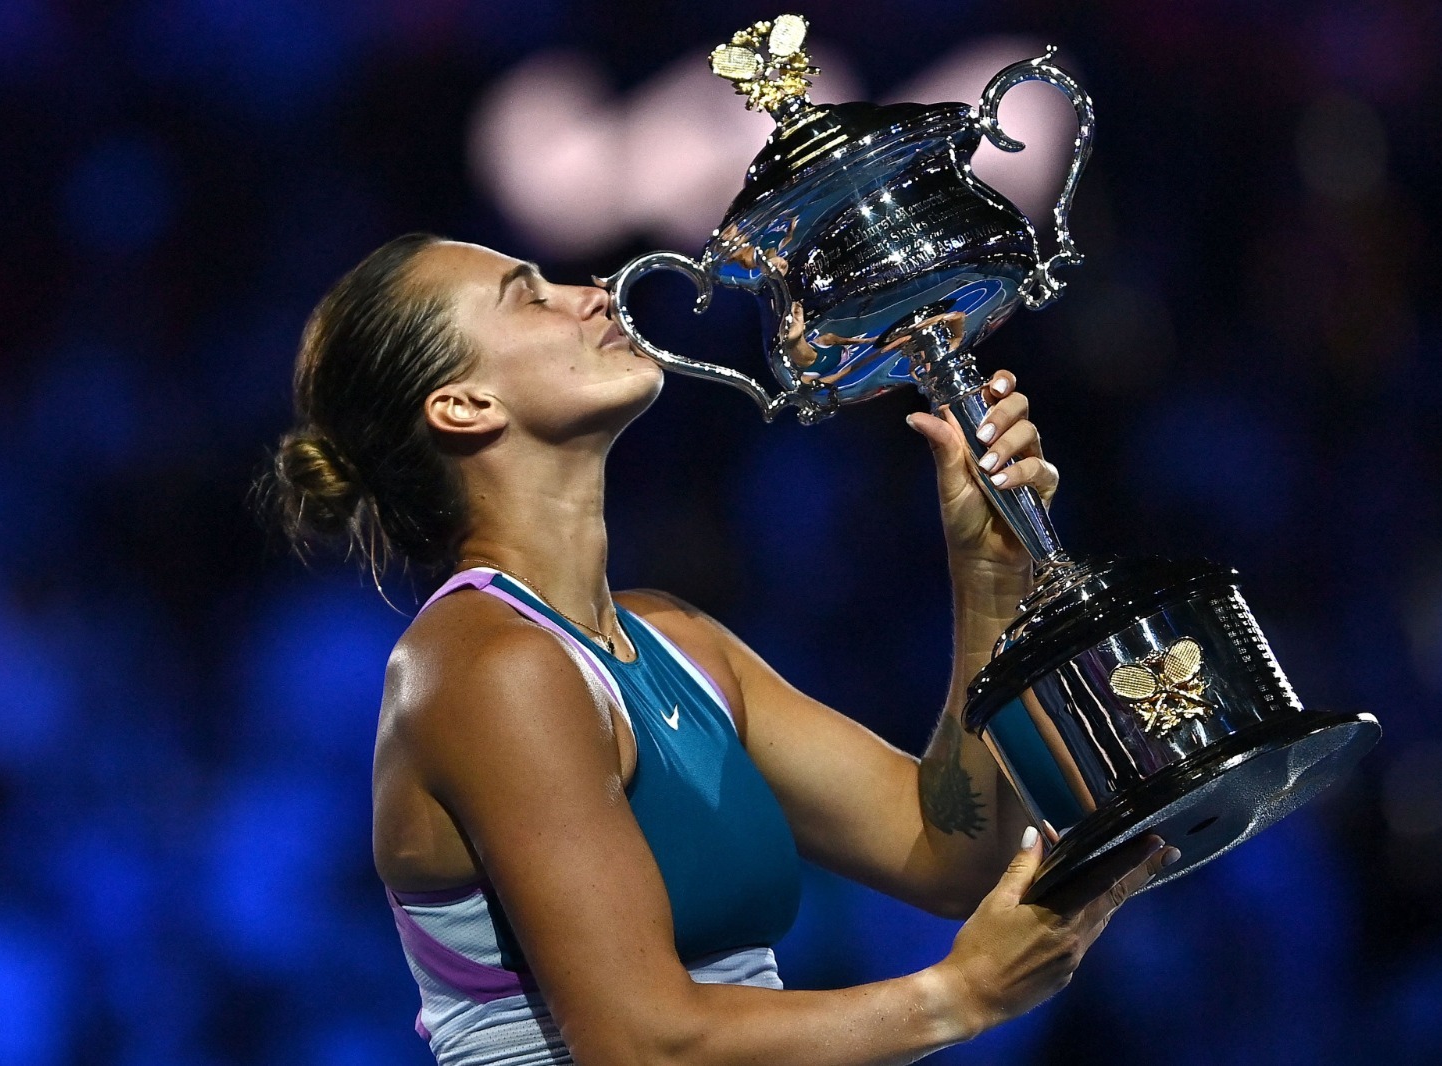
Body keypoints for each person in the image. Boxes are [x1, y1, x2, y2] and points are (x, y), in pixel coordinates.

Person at [267, 233, 1177, 1066]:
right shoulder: (487, 668)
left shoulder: (676, 639)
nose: (597, 293)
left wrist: (988, 582)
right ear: (464, 405)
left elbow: (945, 847)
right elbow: (642, 1046)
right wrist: (960, 996)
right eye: (530, 295)